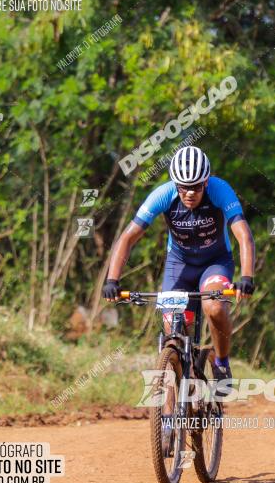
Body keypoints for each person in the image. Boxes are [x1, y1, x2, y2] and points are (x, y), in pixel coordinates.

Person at [102, 145, 255, 381]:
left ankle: (222, 364)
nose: (189, 193)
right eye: (183, 187)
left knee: (214, 307)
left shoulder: (220, 190)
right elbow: (128, 237)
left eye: (195, 186)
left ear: (206, 182)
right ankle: (180, 383)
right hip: (179, 265)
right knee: (172, 331)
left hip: (215, 263)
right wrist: (112, 280)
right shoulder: (163, 194)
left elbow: (243, 234)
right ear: (175, 184)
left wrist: (246, 277)